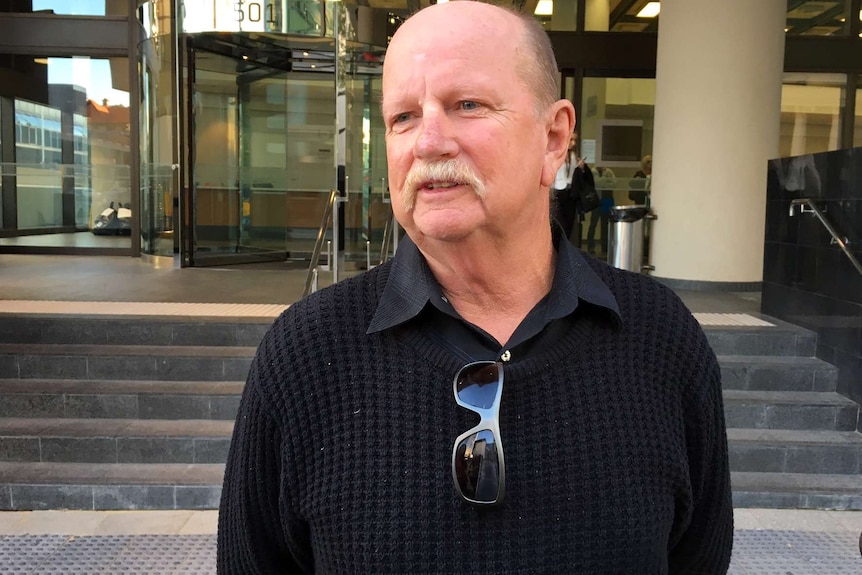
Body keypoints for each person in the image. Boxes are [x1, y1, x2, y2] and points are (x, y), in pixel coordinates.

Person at [217, 2, 733, 574]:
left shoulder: (661, 339)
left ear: (553, 138)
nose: (429, 142)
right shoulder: (307, 354)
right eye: (404, 117)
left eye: (467, 105)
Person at [552, 129, 595, 244]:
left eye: (574, 140)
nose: (573, 143)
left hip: (570, 193)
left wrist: (581, 167)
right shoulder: (555, 154)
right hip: (557, 192)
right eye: (571, 140)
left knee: (568, 224)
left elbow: (577, 175)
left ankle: (565, 247)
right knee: (557, 223)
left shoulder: (573, 156)